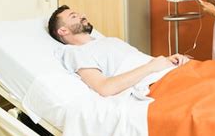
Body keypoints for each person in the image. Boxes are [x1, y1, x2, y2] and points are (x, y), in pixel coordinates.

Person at [48, 5, 190, 97]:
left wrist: (168, 61)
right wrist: (152, 67)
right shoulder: (75, 52)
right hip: (157, 84)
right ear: (63, 30)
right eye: (74, 16)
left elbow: (140, 60)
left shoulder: (108, 41)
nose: (82, 16)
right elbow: (104, 88)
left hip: (171, 71)